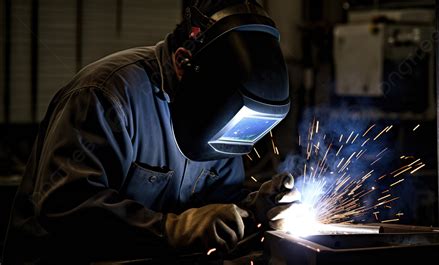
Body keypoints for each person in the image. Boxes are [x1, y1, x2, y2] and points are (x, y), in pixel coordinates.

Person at [2, 0, 298, 264]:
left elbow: (212, 209)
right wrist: (172, 229)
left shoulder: (223, 115)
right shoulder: (107, 96)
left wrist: (253, 210)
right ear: (184, 62)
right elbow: (64, 207)